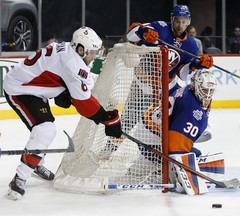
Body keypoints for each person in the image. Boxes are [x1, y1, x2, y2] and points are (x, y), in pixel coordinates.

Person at [3, 26, 122, 200]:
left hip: (34, 87)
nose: (93, 57)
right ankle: (19, 178)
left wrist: (62, 90)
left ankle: (36, 162)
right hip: (20, 89)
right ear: (81, 49)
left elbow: (58, 75)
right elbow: (84, 104)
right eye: (92, 53)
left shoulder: (69, 49)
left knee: (43, 128)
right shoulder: (73, 63)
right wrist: (108, 119)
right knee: (45, 129)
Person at [132, 68, 222, 195]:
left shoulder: (188, 91)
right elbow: (176, 149)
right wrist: (183, 176)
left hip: (147, 132)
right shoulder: (191, 110)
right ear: (196, 86)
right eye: (204, 90)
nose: (207, 94)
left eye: (210, 90)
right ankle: (160, 174)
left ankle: (151, 167)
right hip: (150, 142)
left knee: (193, 154)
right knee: (194, 156)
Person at [126, 4, 214, 95]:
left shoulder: (192, 45)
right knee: (133, 109)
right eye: (177, 21)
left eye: (184, 22)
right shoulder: (160, 27)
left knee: (187, 103)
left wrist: (197, 65)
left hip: (168, 87)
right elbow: (130, 34)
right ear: (172, 19)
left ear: (189, 22)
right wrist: (143, 33)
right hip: (143, 85)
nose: (180, 26)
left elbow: (183, 75)